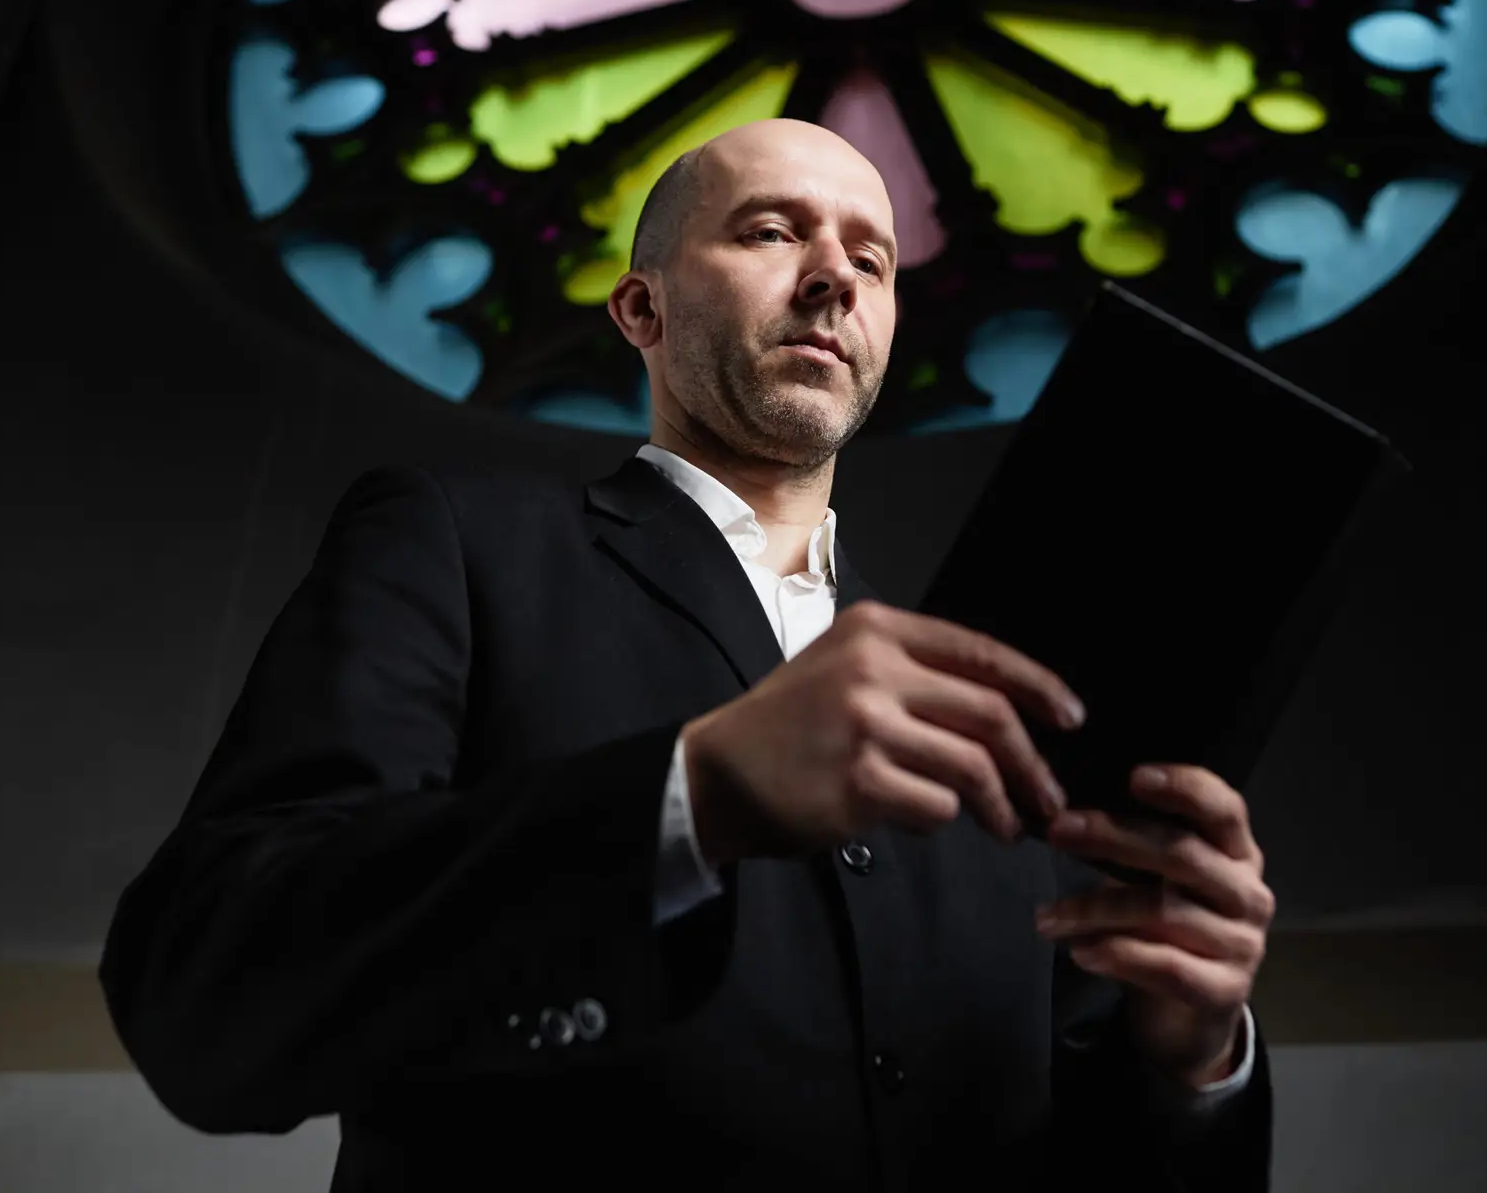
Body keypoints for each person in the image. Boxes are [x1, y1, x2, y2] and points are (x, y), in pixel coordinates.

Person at [99, 118, 1277, 1192]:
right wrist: (689, 792)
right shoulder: (459, 548)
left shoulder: (984, 711)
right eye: (771, 231)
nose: (832, 277)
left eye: (872, 262)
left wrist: (1192, 1055)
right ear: (641, 310)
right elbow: (209, 986)